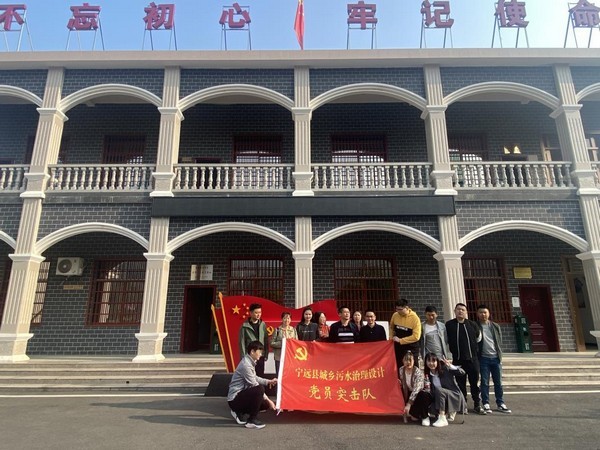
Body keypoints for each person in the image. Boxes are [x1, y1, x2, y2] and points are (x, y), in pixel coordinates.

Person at [228, 340, 277, 429]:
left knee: (265, 405)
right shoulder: (246, 365)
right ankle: (251, 420)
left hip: (241, 396)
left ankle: (239, 412)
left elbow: (255, 377)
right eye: (259, 352)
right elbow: (254, 384)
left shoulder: (250, 361)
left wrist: (268, 381)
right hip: (234, 399)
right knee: (259, 389)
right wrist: (269, 400)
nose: (261, 354)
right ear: (252, 352)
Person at [445, 303, 484, 415]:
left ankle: (477, 404)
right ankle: (463, 405)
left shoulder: (472, 324)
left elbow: (478, 338)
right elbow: (446, 339)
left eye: (463, 309)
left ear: (466, 312)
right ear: (454, 311)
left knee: (474, 383)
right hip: (458, 360)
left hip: (472, 359)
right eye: (458, 309)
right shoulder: (449, 325)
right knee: (460, 384)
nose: (460, 311)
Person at [476, 304, 512, 414]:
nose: (483, 314)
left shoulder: (495, 326)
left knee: (498, 382)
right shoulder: (475, 326)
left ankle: (500, 403)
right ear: (477, 314)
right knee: (484, 382)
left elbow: (498, 341)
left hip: (496, 358)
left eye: (485, 312)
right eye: (481, 312)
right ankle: (486, 403)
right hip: (483, 358)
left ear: (489, 313)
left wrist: (499, 355)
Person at [424, 353, 466, 428]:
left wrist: (450, 366)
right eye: (429, 361)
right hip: (440, 399)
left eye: (433, 361)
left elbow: (462, 372)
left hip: (454, 395)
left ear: (437, 362)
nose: (431, 363)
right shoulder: (428, 375)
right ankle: (446, 413)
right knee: (431, 407)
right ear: (426, 362)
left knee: (439, 390)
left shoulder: (445, 369)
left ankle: (442, 418)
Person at [398, 351, 432, 426]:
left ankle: (425, 417)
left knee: (423, 395)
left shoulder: (418, 372)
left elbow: (417, 389)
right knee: (414, 418)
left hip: (420, 394)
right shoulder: (401, 370)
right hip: (409, 394)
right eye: (406, 360)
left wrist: (409, 404)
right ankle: (417, 413)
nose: (408, 362)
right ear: (403, 361)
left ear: (414, 360)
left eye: (410, 360)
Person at [389, 298, 422, 371]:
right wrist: (391, 337)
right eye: (397, 309)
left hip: (411, 347)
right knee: (399, 366)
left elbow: (416, 337)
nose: (398, 311)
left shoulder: (415, 318)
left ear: (407, 308)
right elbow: (391, 327)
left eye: (400, 309)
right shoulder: (395, 315)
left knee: (413, 366)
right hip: (398, 346)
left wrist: (401, 340)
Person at [238, 303, 269, 377]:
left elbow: (266, 340)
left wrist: (266, 354)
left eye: (260, 312)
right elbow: (242, 342)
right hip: (250, 356)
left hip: (260, 355)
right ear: (251, 313)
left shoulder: (263, 324)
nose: (258, 315)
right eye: (256, 313)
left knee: (260, 375)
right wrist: (243, 356)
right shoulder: (244, 326)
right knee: (250, 375)